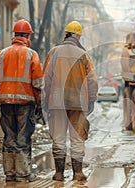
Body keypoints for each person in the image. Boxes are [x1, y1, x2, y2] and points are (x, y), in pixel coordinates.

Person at [0, 19, 44, 182]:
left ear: (14, 35)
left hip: (5, 103)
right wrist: (40, 105)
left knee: (9, 138)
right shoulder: (32, 54)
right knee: (23, 138)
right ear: (27, 35)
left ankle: (10, 173)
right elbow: (38, 84)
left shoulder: (2, 54)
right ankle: (22, 173)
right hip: (25, 104)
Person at [43, 20, 98, 181]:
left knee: (58, 138)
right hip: (78, 103)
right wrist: (92, 99)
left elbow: (46, 78)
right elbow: (92, 80)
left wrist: (46, 100)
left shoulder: (54, 52)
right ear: (78, 37)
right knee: (77, 138)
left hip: (57, 102)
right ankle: (78, 173)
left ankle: (59, 173)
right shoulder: (84, 55)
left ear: (65, 34)